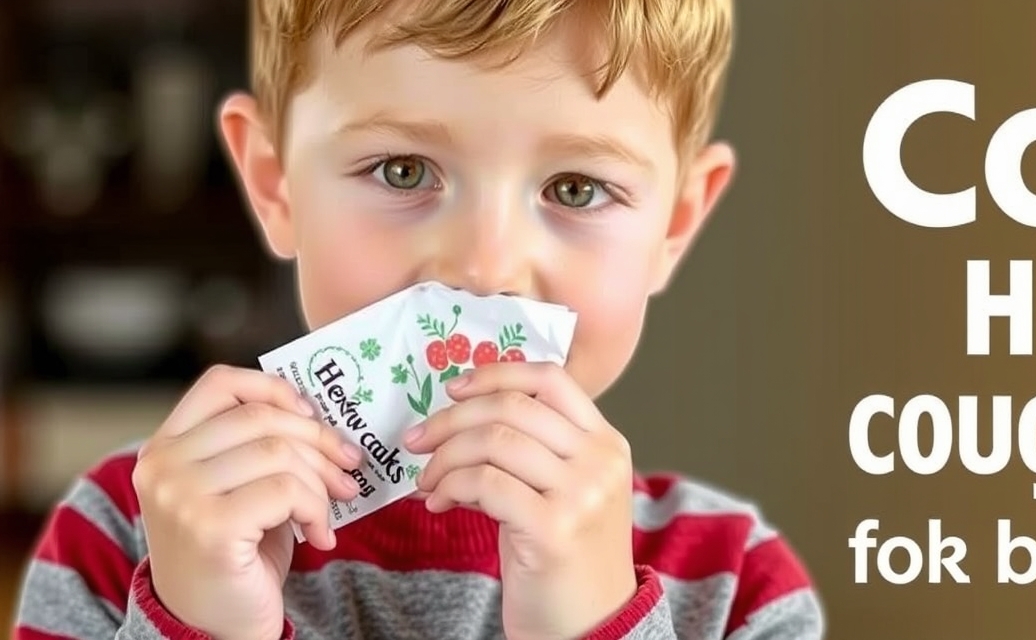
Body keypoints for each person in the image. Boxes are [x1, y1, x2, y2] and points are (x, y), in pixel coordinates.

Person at [11, 1, 825, 638]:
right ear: (276, 186)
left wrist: (595, 627)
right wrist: (197, 626)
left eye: (575, 189)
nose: (483, 269)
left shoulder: (737, 587)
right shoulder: (127, 532)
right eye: (404, 171)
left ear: (675, 227)